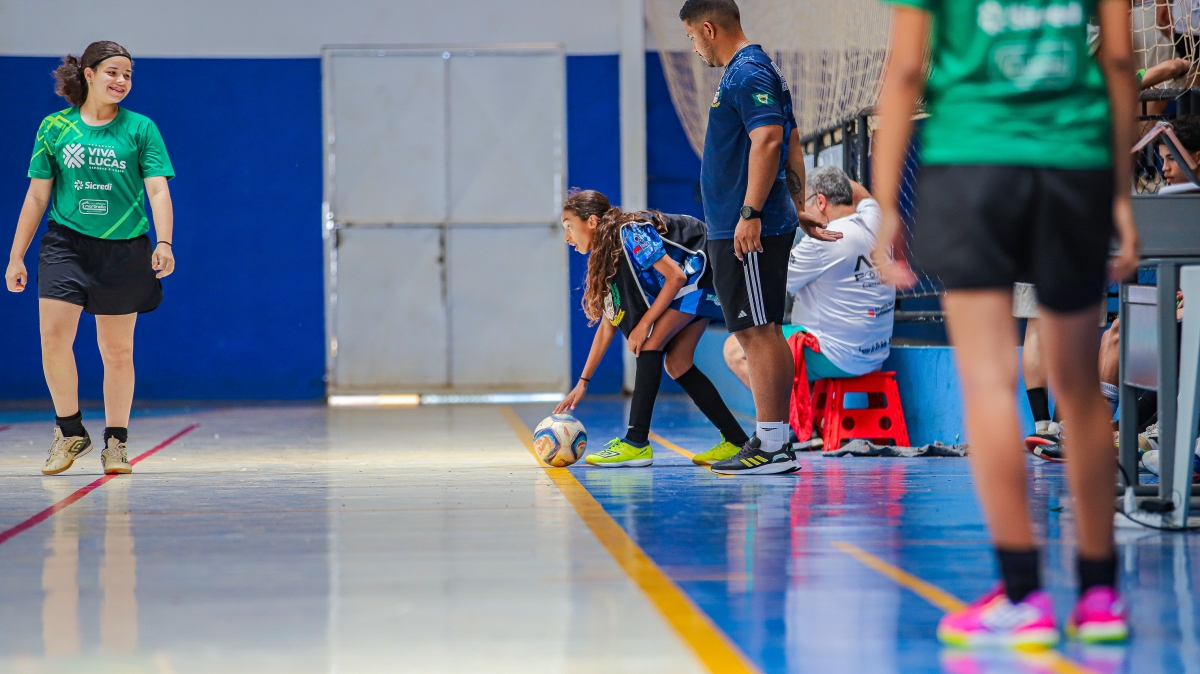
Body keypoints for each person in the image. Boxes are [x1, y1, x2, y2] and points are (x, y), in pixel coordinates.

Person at [873, 0, 1139, 649]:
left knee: (989, 384)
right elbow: (1119, 58)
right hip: (1072, 161)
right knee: (1080, 387)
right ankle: (1100, 596)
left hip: (970, 162)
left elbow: (905, 69)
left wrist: (886, 205)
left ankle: (1023, 596)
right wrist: (1120, 192)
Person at [679, 0, 840, 476]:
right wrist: (797, 206)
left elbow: (770, 139)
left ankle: (773, 446)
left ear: (709, 29)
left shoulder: (748, 72)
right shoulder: (751, 71)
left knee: (758, 331)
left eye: (692, 37)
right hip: (750, 223)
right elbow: (791, 142)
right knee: (757, 329)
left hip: (749, 228)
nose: (694, 48)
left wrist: (751, 213)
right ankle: (773, 437)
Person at [4, 41, 176, 476]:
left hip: (124, 250)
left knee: (117, 350)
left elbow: (158, 189)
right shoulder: (55, 127)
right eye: (113, 72)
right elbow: (36, 195)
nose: (121, 81)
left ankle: (116, 443)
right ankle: (69, 431)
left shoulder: (141, 128)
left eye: (128, 75)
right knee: (53, 338)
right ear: (89, 74)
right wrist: (16, 255)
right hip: (66, 245)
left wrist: (165, 242)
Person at [555, 190, 750, 467]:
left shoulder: (629, 233)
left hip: (706, 273)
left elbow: (676, 276)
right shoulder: (608, 255)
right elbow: (608, 324)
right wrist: (583, 382)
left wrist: (645, 324)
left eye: (569, 226)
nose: (566, 237)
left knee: (649, 344)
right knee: (677, 363)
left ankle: (636, 442)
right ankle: (736, 440)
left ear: (592, 222)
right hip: (695, 280)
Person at [723, 167, 895, 439]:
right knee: (793, 336)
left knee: (736, 348)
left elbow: (775, 284)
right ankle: (805, 420)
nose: (800, 213)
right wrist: (835, 180)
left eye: (804, 204)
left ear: (821, 202)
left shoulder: (823, 239)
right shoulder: (875, 220)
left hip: (838, 356)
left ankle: (790, 422)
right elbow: (861, 194)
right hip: (876, 353)